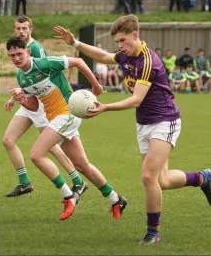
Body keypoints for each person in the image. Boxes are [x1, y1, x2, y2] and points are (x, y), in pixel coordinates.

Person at [53, 14, 211, 243]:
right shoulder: (126, 56)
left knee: (148, 177)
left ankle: (153, 232)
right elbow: (103, 56)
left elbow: (136, 99)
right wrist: (75, 44)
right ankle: (201, 178)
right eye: (117, 42)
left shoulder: (148, 61)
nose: (120, 46)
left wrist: (105, 107)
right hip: (144, 123)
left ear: (135, 35)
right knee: (162, 180)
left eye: (123, 41)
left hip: (164, 120)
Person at [7, 35, 127, 220]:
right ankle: (116, 199)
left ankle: (68, 196)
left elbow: (78, 61)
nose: (16, 58)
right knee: (82, 165)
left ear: (28, 52)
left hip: (67, 113)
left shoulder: (44, 64)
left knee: (36, 154)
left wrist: (95, 85)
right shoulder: (21, 76)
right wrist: (22, 99)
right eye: (12, 55)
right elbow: (34, 105)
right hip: (55, 118)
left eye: (19, 53)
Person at [3, 16, 88, 198]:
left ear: (31, 29)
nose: (21, 31)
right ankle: (25, 183)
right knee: (8, 140)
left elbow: (40, 78)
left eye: (24, 28)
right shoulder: (16, 48)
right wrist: (15, 98)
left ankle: (78, 181)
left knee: (49, 146)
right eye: (18, 28)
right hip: (29, 102)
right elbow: (26, 81)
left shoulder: (35, 49)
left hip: (43, 103)